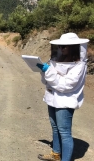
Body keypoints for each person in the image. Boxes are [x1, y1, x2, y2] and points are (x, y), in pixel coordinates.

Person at [36, 33, 89, 161]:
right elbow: (48, 81)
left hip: (65, 101)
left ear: (74, 47)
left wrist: (48, 71)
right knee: (55, 128)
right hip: (52, 99)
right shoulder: (57, 60)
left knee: (64, 133)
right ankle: (56, 154)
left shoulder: (79, 65)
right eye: (60, 46)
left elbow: (65, 85)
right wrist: (44, 72)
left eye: (64, 46)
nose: (61, 48)